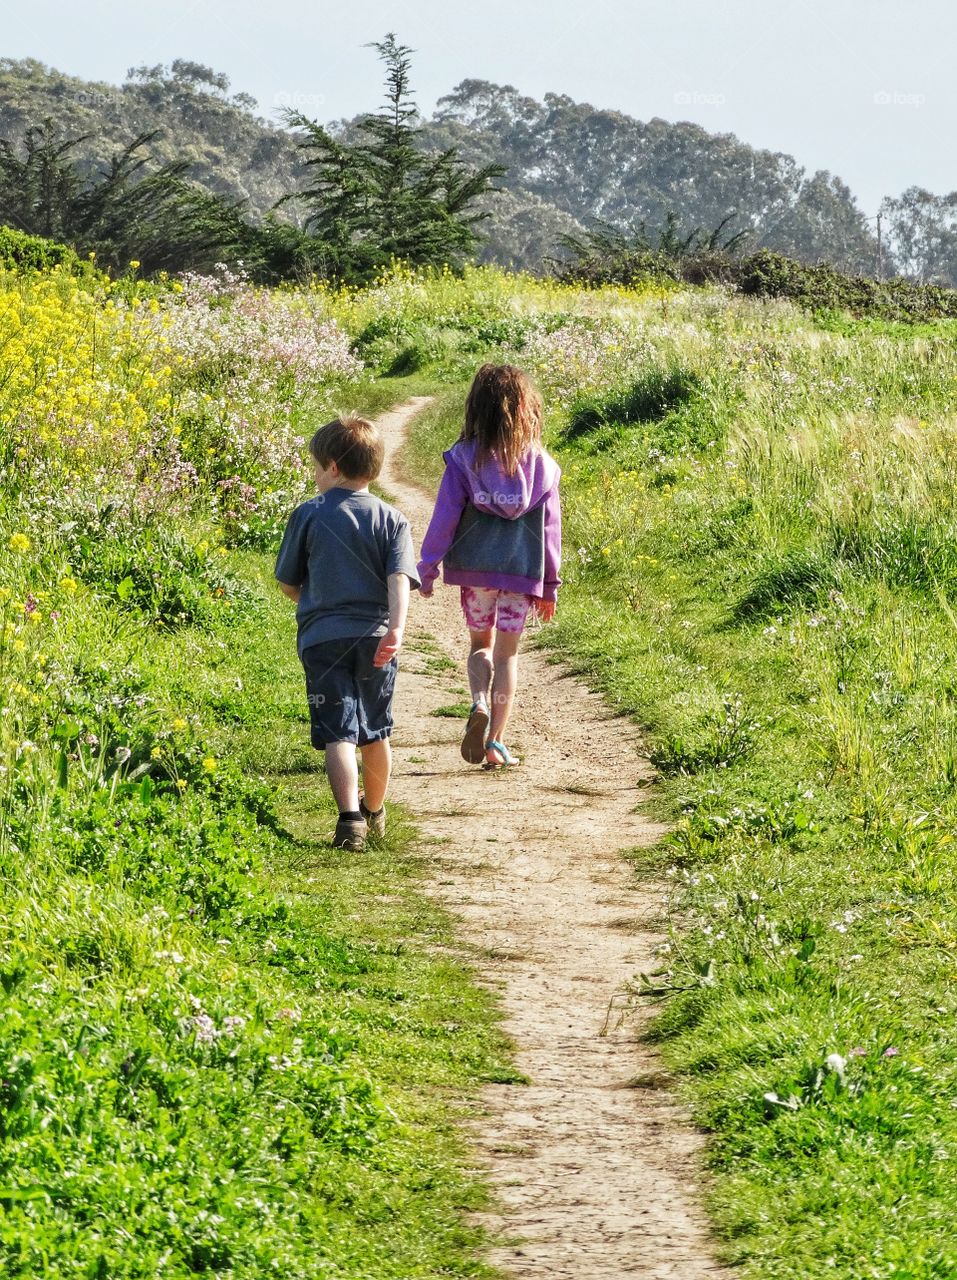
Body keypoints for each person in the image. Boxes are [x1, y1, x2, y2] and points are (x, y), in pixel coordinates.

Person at [275, 413, 420, 851]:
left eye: (318, 466)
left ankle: (348, 819)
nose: (316, 475)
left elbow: (287, 582)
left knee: (339, 731)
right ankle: (375, 814)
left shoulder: (309, 514)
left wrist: (314, 602)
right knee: (376, 729)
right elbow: (399, 579)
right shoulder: (394, 520)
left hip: (323, 640)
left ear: (333, 466)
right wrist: (395, 628)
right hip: (377, 639)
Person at [417, 363, 561, 769]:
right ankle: (495, 742)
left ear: (477, 409)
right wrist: (549, 585)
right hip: (521, 574)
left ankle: (477, 700)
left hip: (477, 572)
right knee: (507, 657)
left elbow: (444, 518)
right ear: (526, 410)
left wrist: (427, 567)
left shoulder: (464, 460)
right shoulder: (543, 466)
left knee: (480, 646)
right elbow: (551, 531)